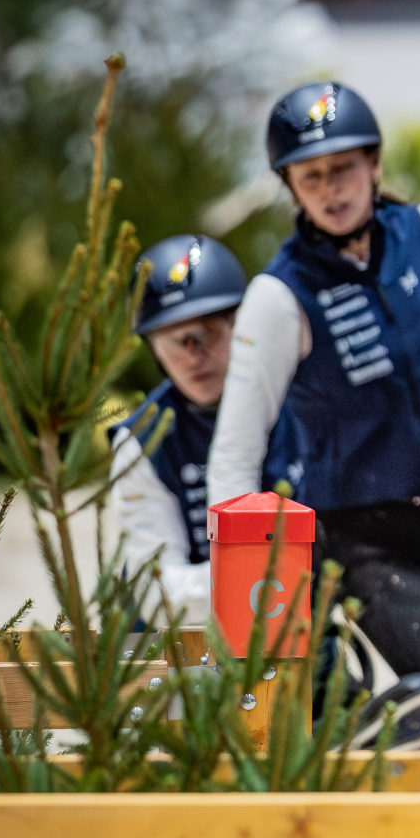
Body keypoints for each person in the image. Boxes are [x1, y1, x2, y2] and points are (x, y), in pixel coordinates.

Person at [210, 81, 420, 677]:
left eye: (342, 168)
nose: (329, 189)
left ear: (374, 164)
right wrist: (242, 591)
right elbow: (236, 454)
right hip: (364, 539)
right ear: (289, 185)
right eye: (309, 176)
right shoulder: (278, 296)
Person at [108, 234, 295, 616]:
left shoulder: (293, 406)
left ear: (240, 325)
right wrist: (253, 582)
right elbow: (154, 585)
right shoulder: (141, 442)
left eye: (207, 332)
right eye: (175, 341)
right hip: (182, 639)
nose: (194, 356)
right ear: (153, 348)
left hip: (293, 618)